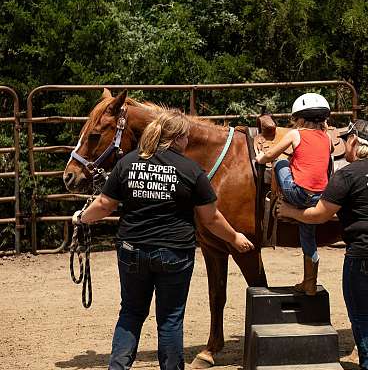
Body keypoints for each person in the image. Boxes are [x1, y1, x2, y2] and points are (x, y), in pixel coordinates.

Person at [72, 109, 254, 370]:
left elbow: (104, 205)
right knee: (170, 318)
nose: (187, 142)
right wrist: (235, 237)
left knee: (131, 313)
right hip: (174, 252)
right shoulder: (191, 170)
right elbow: (211, 218)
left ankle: (118, 367)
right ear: (178, 138)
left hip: (132, 249)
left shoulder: (127, 163)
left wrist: (81, 218)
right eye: (185, 137)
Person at [278, 119, 368, 370]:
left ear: (353, 142)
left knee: (361, 316)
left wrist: (290, 211)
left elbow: (319, 215)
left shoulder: (347, 174)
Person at [255, 92, 332, 296]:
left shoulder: (295, 134)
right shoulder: (327, 138)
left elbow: (271, 154)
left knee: (281, 161)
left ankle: (283, 205)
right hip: (319, 198)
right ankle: (310, 283)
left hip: (296, 193)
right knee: (308, 236)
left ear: (299, 118)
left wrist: (261, 158)